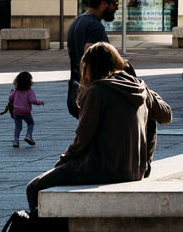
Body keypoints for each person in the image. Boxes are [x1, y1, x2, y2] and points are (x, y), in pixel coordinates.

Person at [26, 42, 173, 216]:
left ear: (90, 67)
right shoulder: (140, 87)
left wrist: (62, 163)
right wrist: (147, 91)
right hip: (135, 170)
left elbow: (82, 141)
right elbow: (166, 115)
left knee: (34, 187)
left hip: (102, 169)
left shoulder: (97, 91)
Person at [67, 0, 121, 118]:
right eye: (116, 4)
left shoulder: (77, 22)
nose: (117, 8)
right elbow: (90, 57)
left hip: (76, 90)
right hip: (92, 94)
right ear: (104, 4)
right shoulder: (95, 27)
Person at [1, 71, 43, 148]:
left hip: (16, 111)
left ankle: (16, 141)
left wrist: (11, 93)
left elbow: (10, 98)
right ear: (29, 82)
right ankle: (28, 136)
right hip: (26, 111)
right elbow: (33, 101)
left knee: (18, 126)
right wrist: (40, 102)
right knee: (30, 123)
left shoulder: (16, 90)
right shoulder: (30, 91)